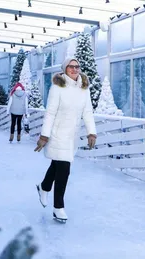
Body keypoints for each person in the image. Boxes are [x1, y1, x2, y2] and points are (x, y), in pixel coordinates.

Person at [34, 57, 97, 222]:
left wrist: (92, 132)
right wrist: (44, 135)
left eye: (77, 66)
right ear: (65, 69)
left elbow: (87, 112)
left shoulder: (84, 89)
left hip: (72, 136)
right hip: (57, 134)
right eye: (71, 67)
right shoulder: (58, 87)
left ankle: (43, 187)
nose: (75, 69)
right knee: (64, 169)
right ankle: (58, 207)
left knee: (57, 165)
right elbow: (50, 113)